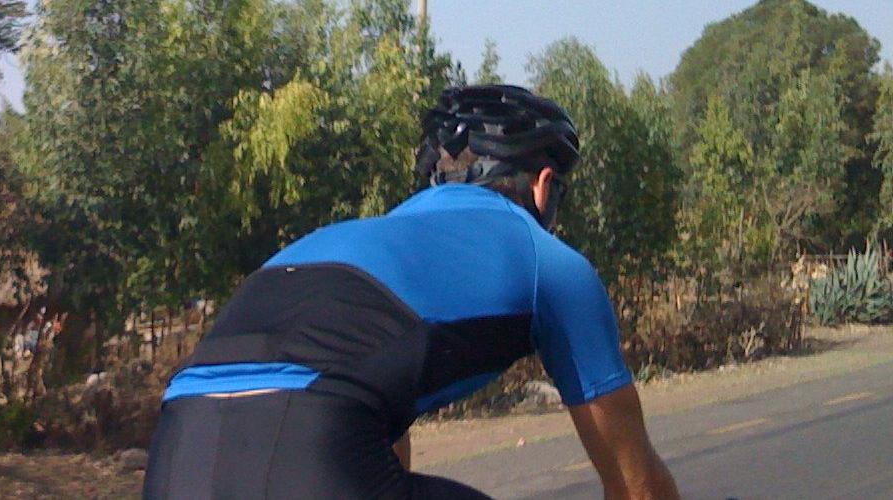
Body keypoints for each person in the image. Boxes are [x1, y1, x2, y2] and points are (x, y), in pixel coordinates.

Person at [143, 85, 680, 500]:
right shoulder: (549, 262)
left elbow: (372, 430)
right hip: (316, 439)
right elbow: (636, 486)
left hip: (176, 452)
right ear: (543, 186)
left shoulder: (359, 240)